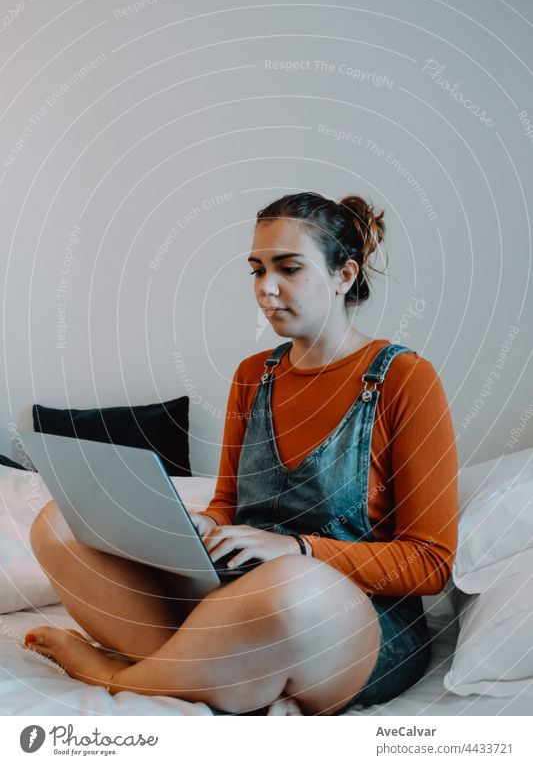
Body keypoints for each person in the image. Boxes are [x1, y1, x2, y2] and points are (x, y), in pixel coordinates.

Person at [23, 191, 458, 716]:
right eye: (256, 270)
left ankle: (116, 674)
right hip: (238, 595)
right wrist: (197, 526)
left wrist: (298, 549)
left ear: (344, 275)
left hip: (353, 623)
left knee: (288, 583)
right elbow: (229, 501)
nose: (266, 289)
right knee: (58, 523)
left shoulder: (405, 379)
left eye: (289, 268)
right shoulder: (255, 375)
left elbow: (430, 562)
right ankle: (208, 670)